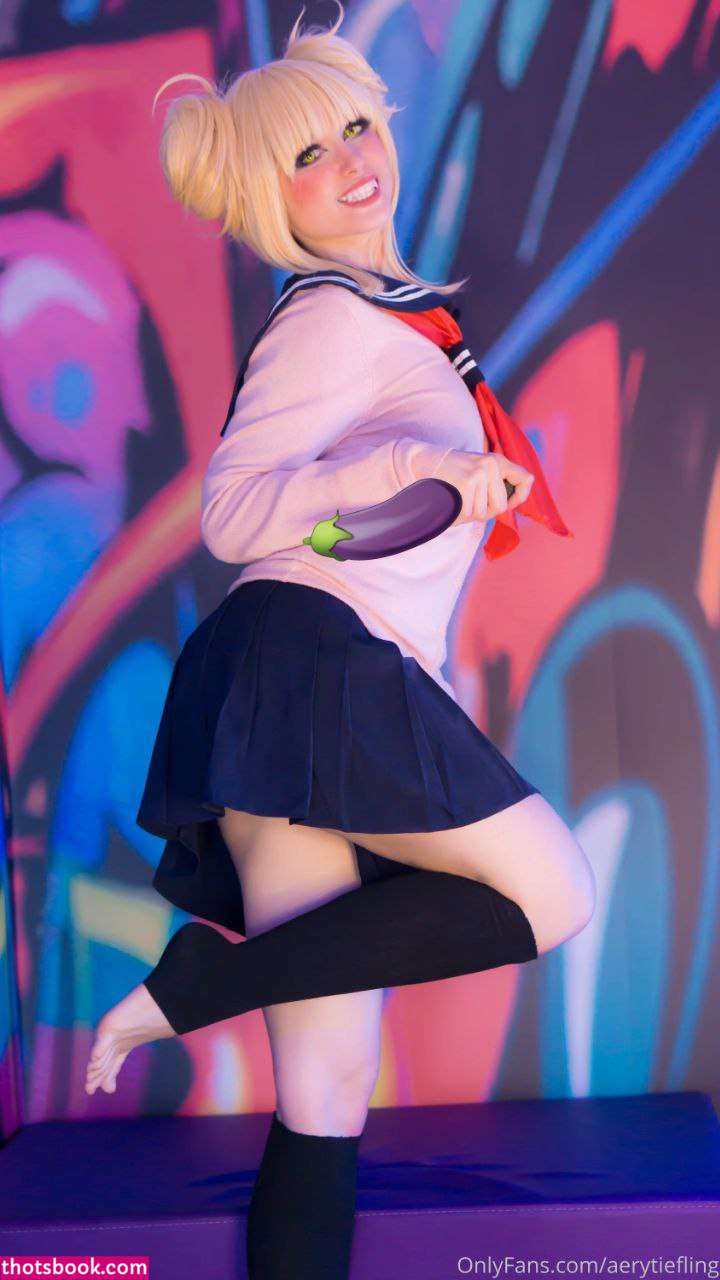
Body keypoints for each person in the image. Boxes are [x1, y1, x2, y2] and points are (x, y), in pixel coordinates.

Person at [84, 4, 596, 1275]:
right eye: (308, 155)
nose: (353, 161)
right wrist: (417, 463)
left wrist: (405, 489)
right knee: (554, 891)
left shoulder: (387, 312)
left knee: (324, 1088)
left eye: (359, 126)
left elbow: (326, 533)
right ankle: (200, 987)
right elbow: (233, 512)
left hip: (296, 675)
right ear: (273, 196)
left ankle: (198, 984)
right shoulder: (327, 321)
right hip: (312, 664)